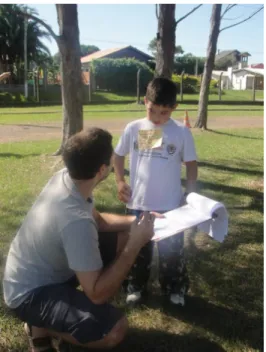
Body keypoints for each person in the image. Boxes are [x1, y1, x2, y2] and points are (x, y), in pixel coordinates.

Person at [3, 127, 155, 352]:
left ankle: (44, 328)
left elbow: (100, 222)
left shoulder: (66, 178)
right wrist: (135, 245)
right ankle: (42, 327)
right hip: (28, 295)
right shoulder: (76, 220)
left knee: (123, 235)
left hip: (40, 273)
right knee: (116, 330)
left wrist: (139, 222)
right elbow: (96, 293)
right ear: (102, 170)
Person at [114, 77, 198, 307]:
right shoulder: (134, 128)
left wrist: (189, 195)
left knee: (172, 250)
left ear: (174, 108)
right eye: (153, 111)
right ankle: (135, 286)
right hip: (138, 203)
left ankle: (175, 288)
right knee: (138, 249)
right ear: (145, 102)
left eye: (165, 113)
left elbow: (191, 164)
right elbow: (119, 155)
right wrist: (120, 181)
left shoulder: (181, 132)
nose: (159, 118)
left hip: (171, 205)